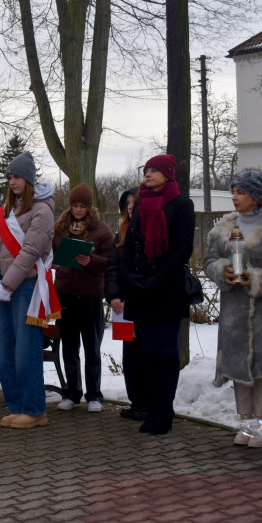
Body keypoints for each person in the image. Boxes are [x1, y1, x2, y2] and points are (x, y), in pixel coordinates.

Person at [203, 169, 262, 446]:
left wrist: (256, 278)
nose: (234, 197)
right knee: (239, 366)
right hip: (233, 311)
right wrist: (224, 271)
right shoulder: (222, 227)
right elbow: (209, 260)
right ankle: (245, 422)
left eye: (240, 192)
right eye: (233, 191)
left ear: (256, 197)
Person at [0, 152, 57, 429]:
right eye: (10, 177)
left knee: (26, 351)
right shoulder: (3, 211)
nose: (12, 182)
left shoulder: (42, 209)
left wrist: (7, 283)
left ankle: (35, 410)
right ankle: (17, 406)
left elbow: (31, 250)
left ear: (29, 179)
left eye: (17, 177)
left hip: (25, 287)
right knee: (3, 350)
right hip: (0, 286)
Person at [118, 154, 195, 435]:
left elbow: (183, 248)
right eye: (146, 170)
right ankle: (152, 408)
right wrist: (129, 276)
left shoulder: (182, 205)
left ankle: (165, 410)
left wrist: (157, 278)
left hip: (168, 289)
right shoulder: (140, 204)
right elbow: (129, 243)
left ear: (168, 174)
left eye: (154, 170)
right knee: (147, 351)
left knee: (166, 350)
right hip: (140, 288)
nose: (147, 174)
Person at [52, 183, 114, 413]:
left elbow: (110, 263)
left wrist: (92, 261)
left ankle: (95, 395)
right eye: (74, 205)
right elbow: (50, 253)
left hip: (89, 296)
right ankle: (72, 393)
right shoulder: (60, 227)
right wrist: (55, 262)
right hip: (65, 294)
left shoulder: (102, 230)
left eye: (82, 206)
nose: (78, 210)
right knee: (69, 347)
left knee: (91, 347)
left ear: (90, 207)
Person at [106, 187, 146, 421]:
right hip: (123, 308)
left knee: (146, 353)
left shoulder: (147, 232)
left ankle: (148, 401)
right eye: (127, 204)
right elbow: (112, 269)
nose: (130, 207)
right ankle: (136, 401)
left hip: (143, 303)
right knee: (130, 356)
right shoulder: (120, 235)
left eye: (134, 203)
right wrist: (114, 296)